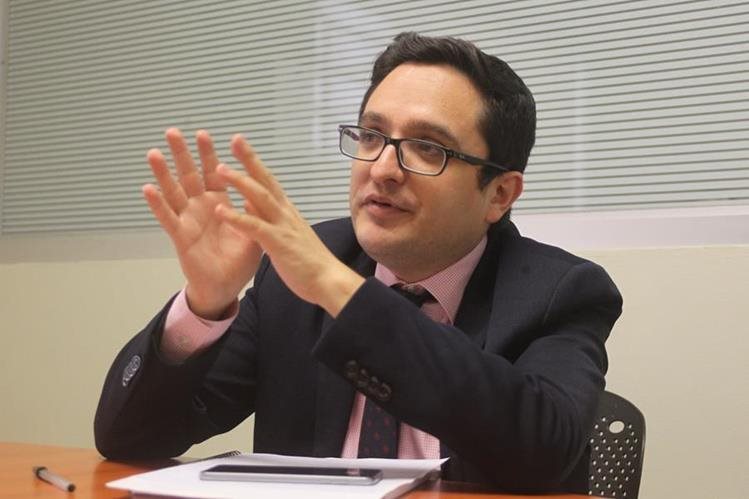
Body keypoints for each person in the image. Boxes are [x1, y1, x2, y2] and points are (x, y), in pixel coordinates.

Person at [94, 32, 622, 494]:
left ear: (499, 194)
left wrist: (340, 291)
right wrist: (206, 304)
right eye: (371, 136)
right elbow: (130, 439)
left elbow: (542, 451)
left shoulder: (560, 291)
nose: (383, 169)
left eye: (427, 147)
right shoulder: (292, 276)